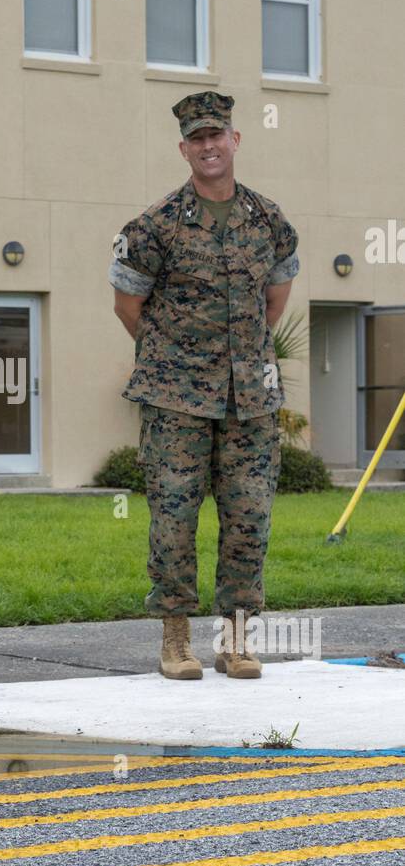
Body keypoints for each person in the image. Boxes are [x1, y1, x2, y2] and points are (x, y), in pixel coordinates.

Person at [110, 92, 299, 681]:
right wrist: (177, 360)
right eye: (197, 139)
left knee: (249, 517)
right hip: (175, 401)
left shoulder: (269, 220)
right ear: (183, 149)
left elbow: (275, 298)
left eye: (217, 135)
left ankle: (237, 641)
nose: (209, 146)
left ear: (235, 141)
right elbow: (127, 305)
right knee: (174, 516)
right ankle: (175, 639)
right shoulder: (155, 225)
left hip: (250, 402)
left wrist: (239, 358)